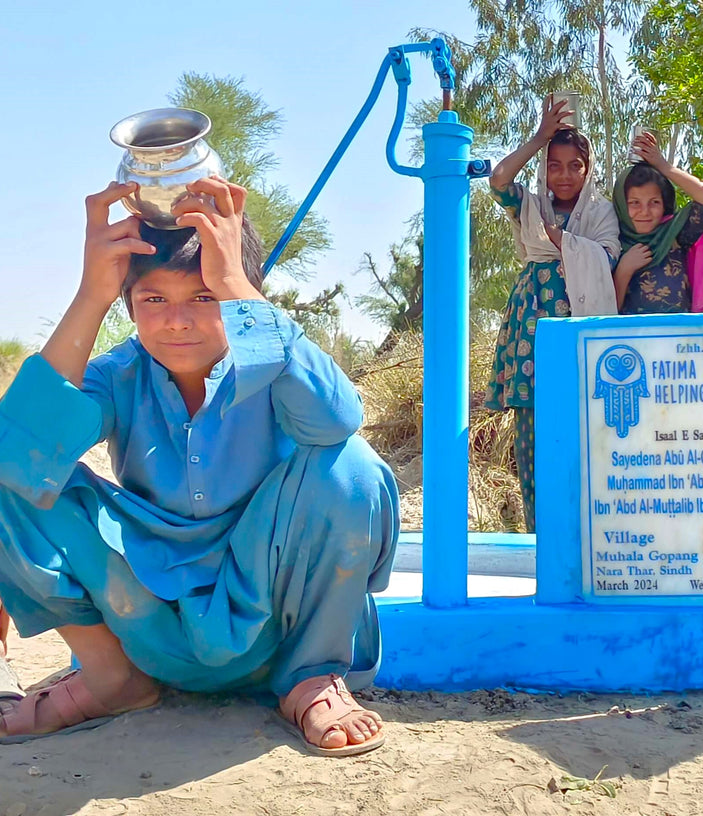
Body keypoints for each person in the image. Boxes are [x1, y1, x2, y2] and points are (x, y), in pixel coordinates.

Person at [0, 176, 400, 754]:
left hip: (275, 620)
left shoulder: (272, 362)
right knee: (12, 474)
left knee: (351, 465)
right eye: (153, 299)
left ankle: (313, 678)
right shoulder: (119, 375)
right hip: (151, 623)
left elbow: (335, 421)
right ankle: (112, 680)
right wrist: (92, 293)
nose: (177, 321)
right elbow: (18, 454)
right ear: (129, 303)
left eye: (204, 297)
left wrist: (235, 279)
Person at [486, 96, 620, 531]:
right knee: (532, 438)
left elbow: (609, 257)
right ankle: (538, 535)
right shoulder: (529, 206)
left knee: (582, 431)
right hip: (531, 325)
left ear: (588, 169)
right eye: (554, 165)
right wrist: (540, 136)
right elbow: (499, 177)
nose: (563, 175)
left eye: (573, 166)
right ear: (544, 169)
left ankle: (583, 533)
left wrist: (562, 240)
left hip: (578, 330)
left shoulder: (601, 214)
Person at [613, 131, 703, 314]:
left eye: (654, 202)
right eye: (634, 203)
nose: (644, 211)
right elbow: (603, 312)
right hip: (629, 341)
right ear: (622, 205)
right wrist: (624, 270)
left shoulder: (675, 234)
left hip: (678, 338)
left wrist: (663, 166)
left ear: (665, 205)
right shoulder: (611, 242)